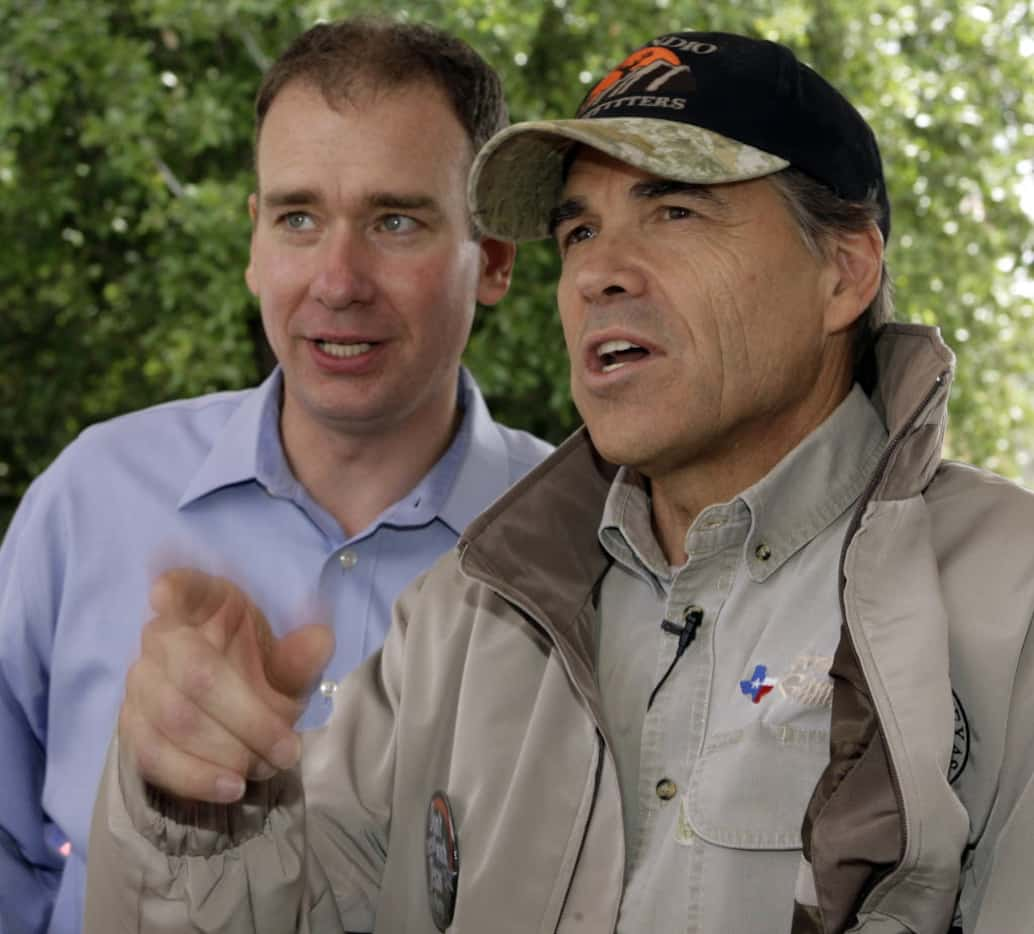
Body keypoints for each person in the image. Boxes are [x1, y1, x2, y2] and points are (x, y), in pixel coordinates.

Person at [85, 30, 1034, 934]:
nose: (596, 275)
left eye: (675, 209)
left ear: (844, 270)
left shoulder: (1008, 607)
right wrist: (190, 807)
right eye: (579, 232)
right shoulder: (463, 617)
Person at [0, 17, 553, 934]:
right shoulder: (92, 495)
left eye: (396, 221)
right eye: (300, 217)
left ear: (492, 258)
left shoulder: (584, 542)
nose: (338, 280)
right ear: (256, 242)